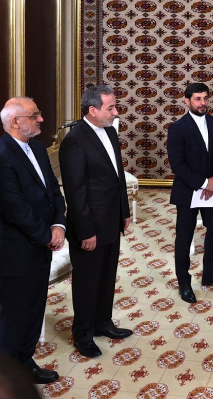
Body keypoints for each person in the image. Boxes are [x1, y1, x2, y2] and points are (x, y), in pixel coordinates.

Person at [59, 85, 132, 358]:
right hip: (89, 226)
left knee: (106, 276)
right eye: (110, 107)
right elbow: (75, 192)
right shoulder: (74, 141)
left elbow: (117, 177)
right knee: (87, 283)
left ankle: (103, 323)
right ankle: (83, 334)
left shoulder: (110, 132)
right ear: (92, 110)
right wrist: (86, 231)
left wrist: (124, 212)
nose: (116, 112)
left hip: (111, 220)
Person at [0, 97, 66, 384]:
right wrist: (47, 235)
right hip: (15, 251)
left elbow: (54, 190)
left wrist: (59, 224)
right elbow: (15, 208)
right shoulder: (2, 155)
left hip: (41, 246)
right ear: (16, 121)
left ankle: (24, 363)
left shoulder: (37, 148)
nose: (41, 119)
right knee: (14, 316)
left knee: (35, 308)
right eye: (35, 115)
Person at [167, 83, 213, 303]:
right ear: (187, 101)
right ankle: (184, 282)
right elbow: (178, 164)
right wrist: (205, 183)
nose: (203, 103)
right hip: (188, 191)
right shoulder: (177, 128)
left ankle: (209, 273)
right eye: (198, 99)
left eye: (205, 98)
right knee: (184, 237)